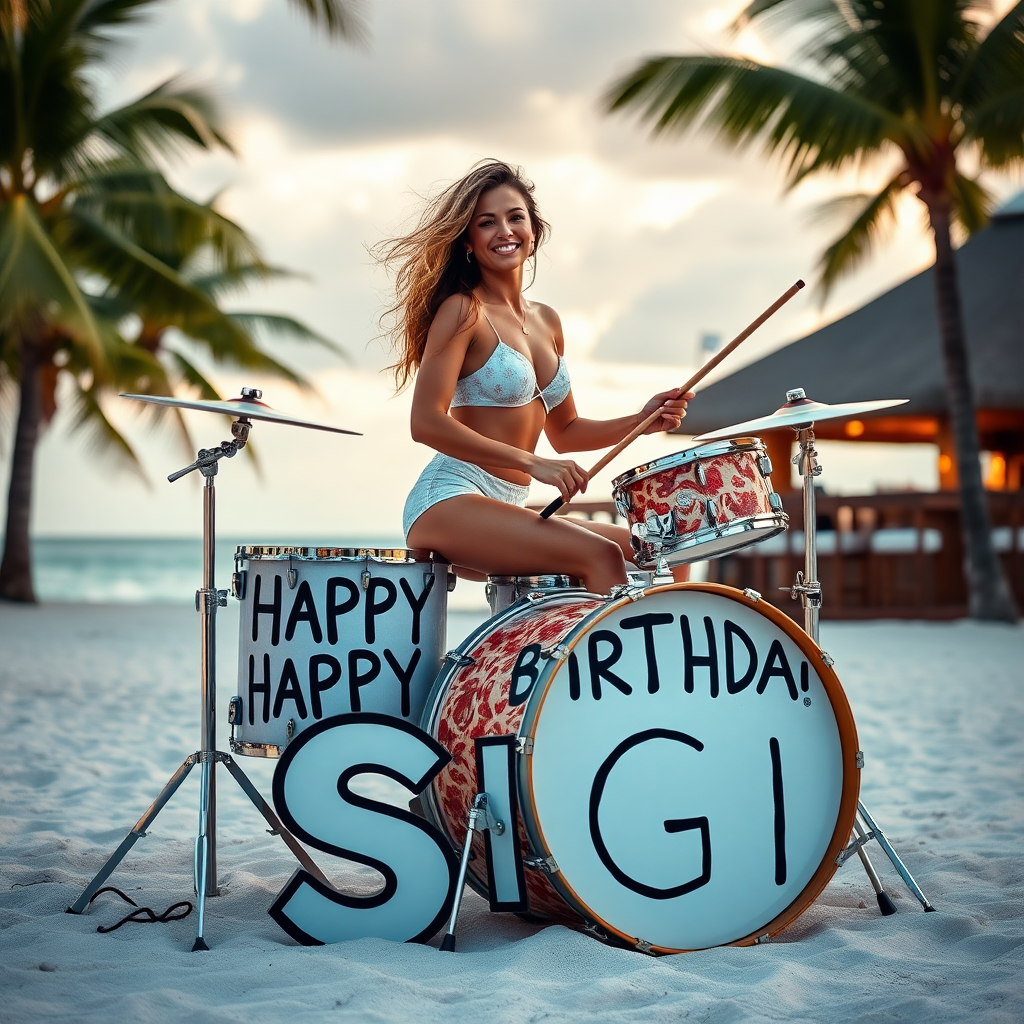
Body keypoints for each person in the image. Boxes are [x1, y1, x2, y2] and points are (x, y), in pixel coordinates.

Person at [377, 160, 691, 594]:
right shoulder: (463, 312)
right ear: (469, 241)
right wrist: (532, 462)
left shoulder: (547, 321)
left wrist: (641, 421)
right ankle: (591, 662)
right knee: (600, 555)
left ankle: (653, 661)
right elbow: (425, 422)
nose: (504, 230)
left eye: (515, 217)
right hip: (451, 497)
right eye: (487, 223)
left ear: (534, 230)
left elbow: (565, 432)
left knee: (664, 555)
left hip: (512, 505)